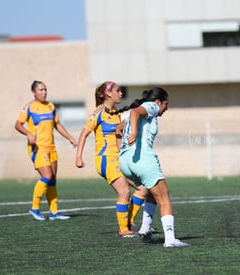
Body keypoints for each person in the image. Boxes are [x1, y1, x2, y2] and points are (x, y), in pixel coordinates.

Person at [116, 87, 190, 248]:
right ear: (157, 102)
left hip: (126, 161)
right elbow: (136, 112)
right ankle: (170, 240)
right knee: (164, 199)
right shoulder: (152, 106)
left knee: (151, 191)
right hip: (142, 158)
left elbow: (118, 129)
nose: (166, 108)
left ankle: (145, 228)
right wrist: (134, 133)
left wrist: (123, 150)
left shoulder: (129, 115)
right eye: (166, 104)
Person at [76, 81, 137, 238]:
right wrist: (79, 157)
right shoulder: (97, 114)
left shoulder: (116, 113)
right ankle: (124, 230)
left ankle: (129, 220)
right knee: (124, 191)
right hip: (106, 159)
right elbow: (83, 134)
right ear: (108, 93)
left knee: (142, 187)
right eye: (118, 90)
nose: (121, 93)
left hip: (119, 158)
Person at [15, 80, 77, 221]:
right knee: (47, 176)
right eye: (41, 90)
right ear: (34, 92)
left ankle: (54, 212)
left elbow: (57, 125)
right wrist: (28, 134)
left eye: (45, 89)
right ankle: (34, 208)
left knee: (53, 180)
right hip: (38, 149)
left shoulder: (50, 106)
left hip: (51, 148)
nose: (44, 92)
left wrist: (70, 138)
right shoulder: (29, 107)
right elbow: (17, 124)